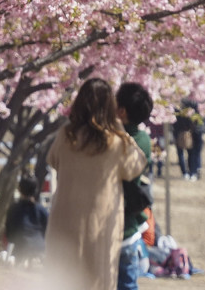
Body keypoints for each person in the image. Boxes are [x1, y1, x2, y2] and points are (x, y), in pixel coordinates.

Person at [45, 77, 148, 290]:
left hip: (64, 221)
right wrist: (118, 126)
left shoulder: (66, 134)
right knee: (97, 282)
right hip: (100, 224)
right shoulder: (116, 141)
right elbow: (137, 165)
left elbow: (53, 160)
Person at [116, 82, 154, 290]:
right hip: (130, 229)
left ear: (121, 110)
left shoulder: (113, 140)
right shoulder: (144, 140)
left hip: (111, 226)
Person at [5, 175, 49, 266]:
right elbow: (47, 232)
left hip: (20, 250)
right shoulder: (42, 211)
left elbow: (9, 235)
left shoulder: (13, 209)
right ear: (36, 190)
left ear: (19, 189)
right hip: (40, 251)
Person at [172, 107, 196, 180]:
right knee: (190, 154)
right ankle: (191, 172)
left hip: (178, 134)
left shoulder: (176, 111)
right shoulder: (188, 111)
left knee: (181, 154)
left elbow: (174, 124)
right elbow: (192, 123)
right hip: (187, 134)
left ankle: (185, 173)